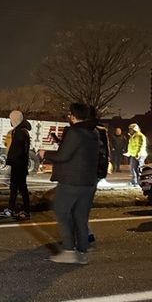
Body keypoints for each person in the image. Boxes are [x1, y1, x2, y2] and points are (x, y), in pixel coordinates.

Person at [40, 103, 99, 265]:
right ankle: (82, 253)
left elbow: (62, 156)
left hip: (72, 181)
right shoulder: (93, 133)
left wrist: (45, 154)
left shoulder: (75, 132)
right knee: (80, 217)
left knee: (61, 211)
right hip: (88, 182)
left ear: (73, 116)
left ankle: (68, 250)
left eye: (70, 114)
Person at [1, 110, 31, 220]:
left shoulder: (19, 132)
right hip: (20, 164)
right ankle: (15, 209)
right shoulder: (23, 131)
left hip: (18, 164)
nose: (10, 121)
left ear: (14, 119)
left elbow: (18, 150)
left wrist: (11, 160)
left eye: (11, 119)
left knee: (18, 188)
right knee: (19, 188)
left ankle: (15, 210)